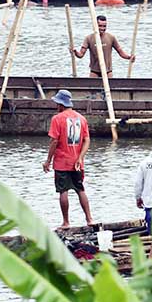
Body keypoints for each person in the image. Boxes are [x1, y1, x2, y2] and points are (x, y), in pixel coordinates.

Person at [43, 89, 94, 228]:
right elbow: (87, 140)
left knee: (63, 191)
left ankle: (66, 222)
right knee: (80, 189)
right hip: (77, 162)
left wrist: (48, 160)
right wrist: (80, 158)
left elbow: (54, 141)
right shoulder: (81, 119)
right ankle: (89, 219)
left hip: (62, 162)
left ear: (61, 104)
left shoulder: (57, 119)